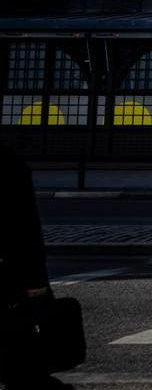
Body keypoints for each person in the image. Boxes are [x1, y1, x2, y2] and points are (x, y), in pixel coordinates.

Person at [1, 142, 71, 389]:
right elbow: (24, 230)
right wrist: (37, 282)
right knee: (21, 366)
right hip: (8, 282)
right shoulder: (7, 161)